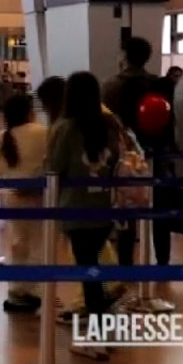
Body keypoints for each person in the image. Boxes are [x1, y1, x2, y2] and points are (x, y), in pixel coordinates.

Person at [47, 72, 122, 323]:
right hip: (105, 208)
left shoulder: (66, 128)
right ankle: (99, 310)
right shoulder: (110, 124)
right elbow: (116, 159)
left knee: (87, 268)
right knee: (92, 265)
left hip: (76, 209)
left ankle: (96, 319)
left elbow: (55, 167)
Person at [102, 36, 173, 266]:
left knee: (127, 211)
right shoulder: (161, 84)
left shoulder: (111, 86)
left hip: (126, 156)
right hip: (157, 152)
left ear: (124, 56)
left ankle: (126, 266)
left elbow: (108, 123)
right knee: (160, 209)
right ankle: (163, 262)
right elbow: (170, 122)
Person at [0, 94, 48, 313]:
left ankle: (16, 290)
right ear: (29, 111)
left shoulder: (4, 136)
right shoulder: (42, 133)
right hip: (38, 195)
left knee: (17, 242)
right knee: (38, 243)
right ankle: (33, 291)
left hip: (11, 196)